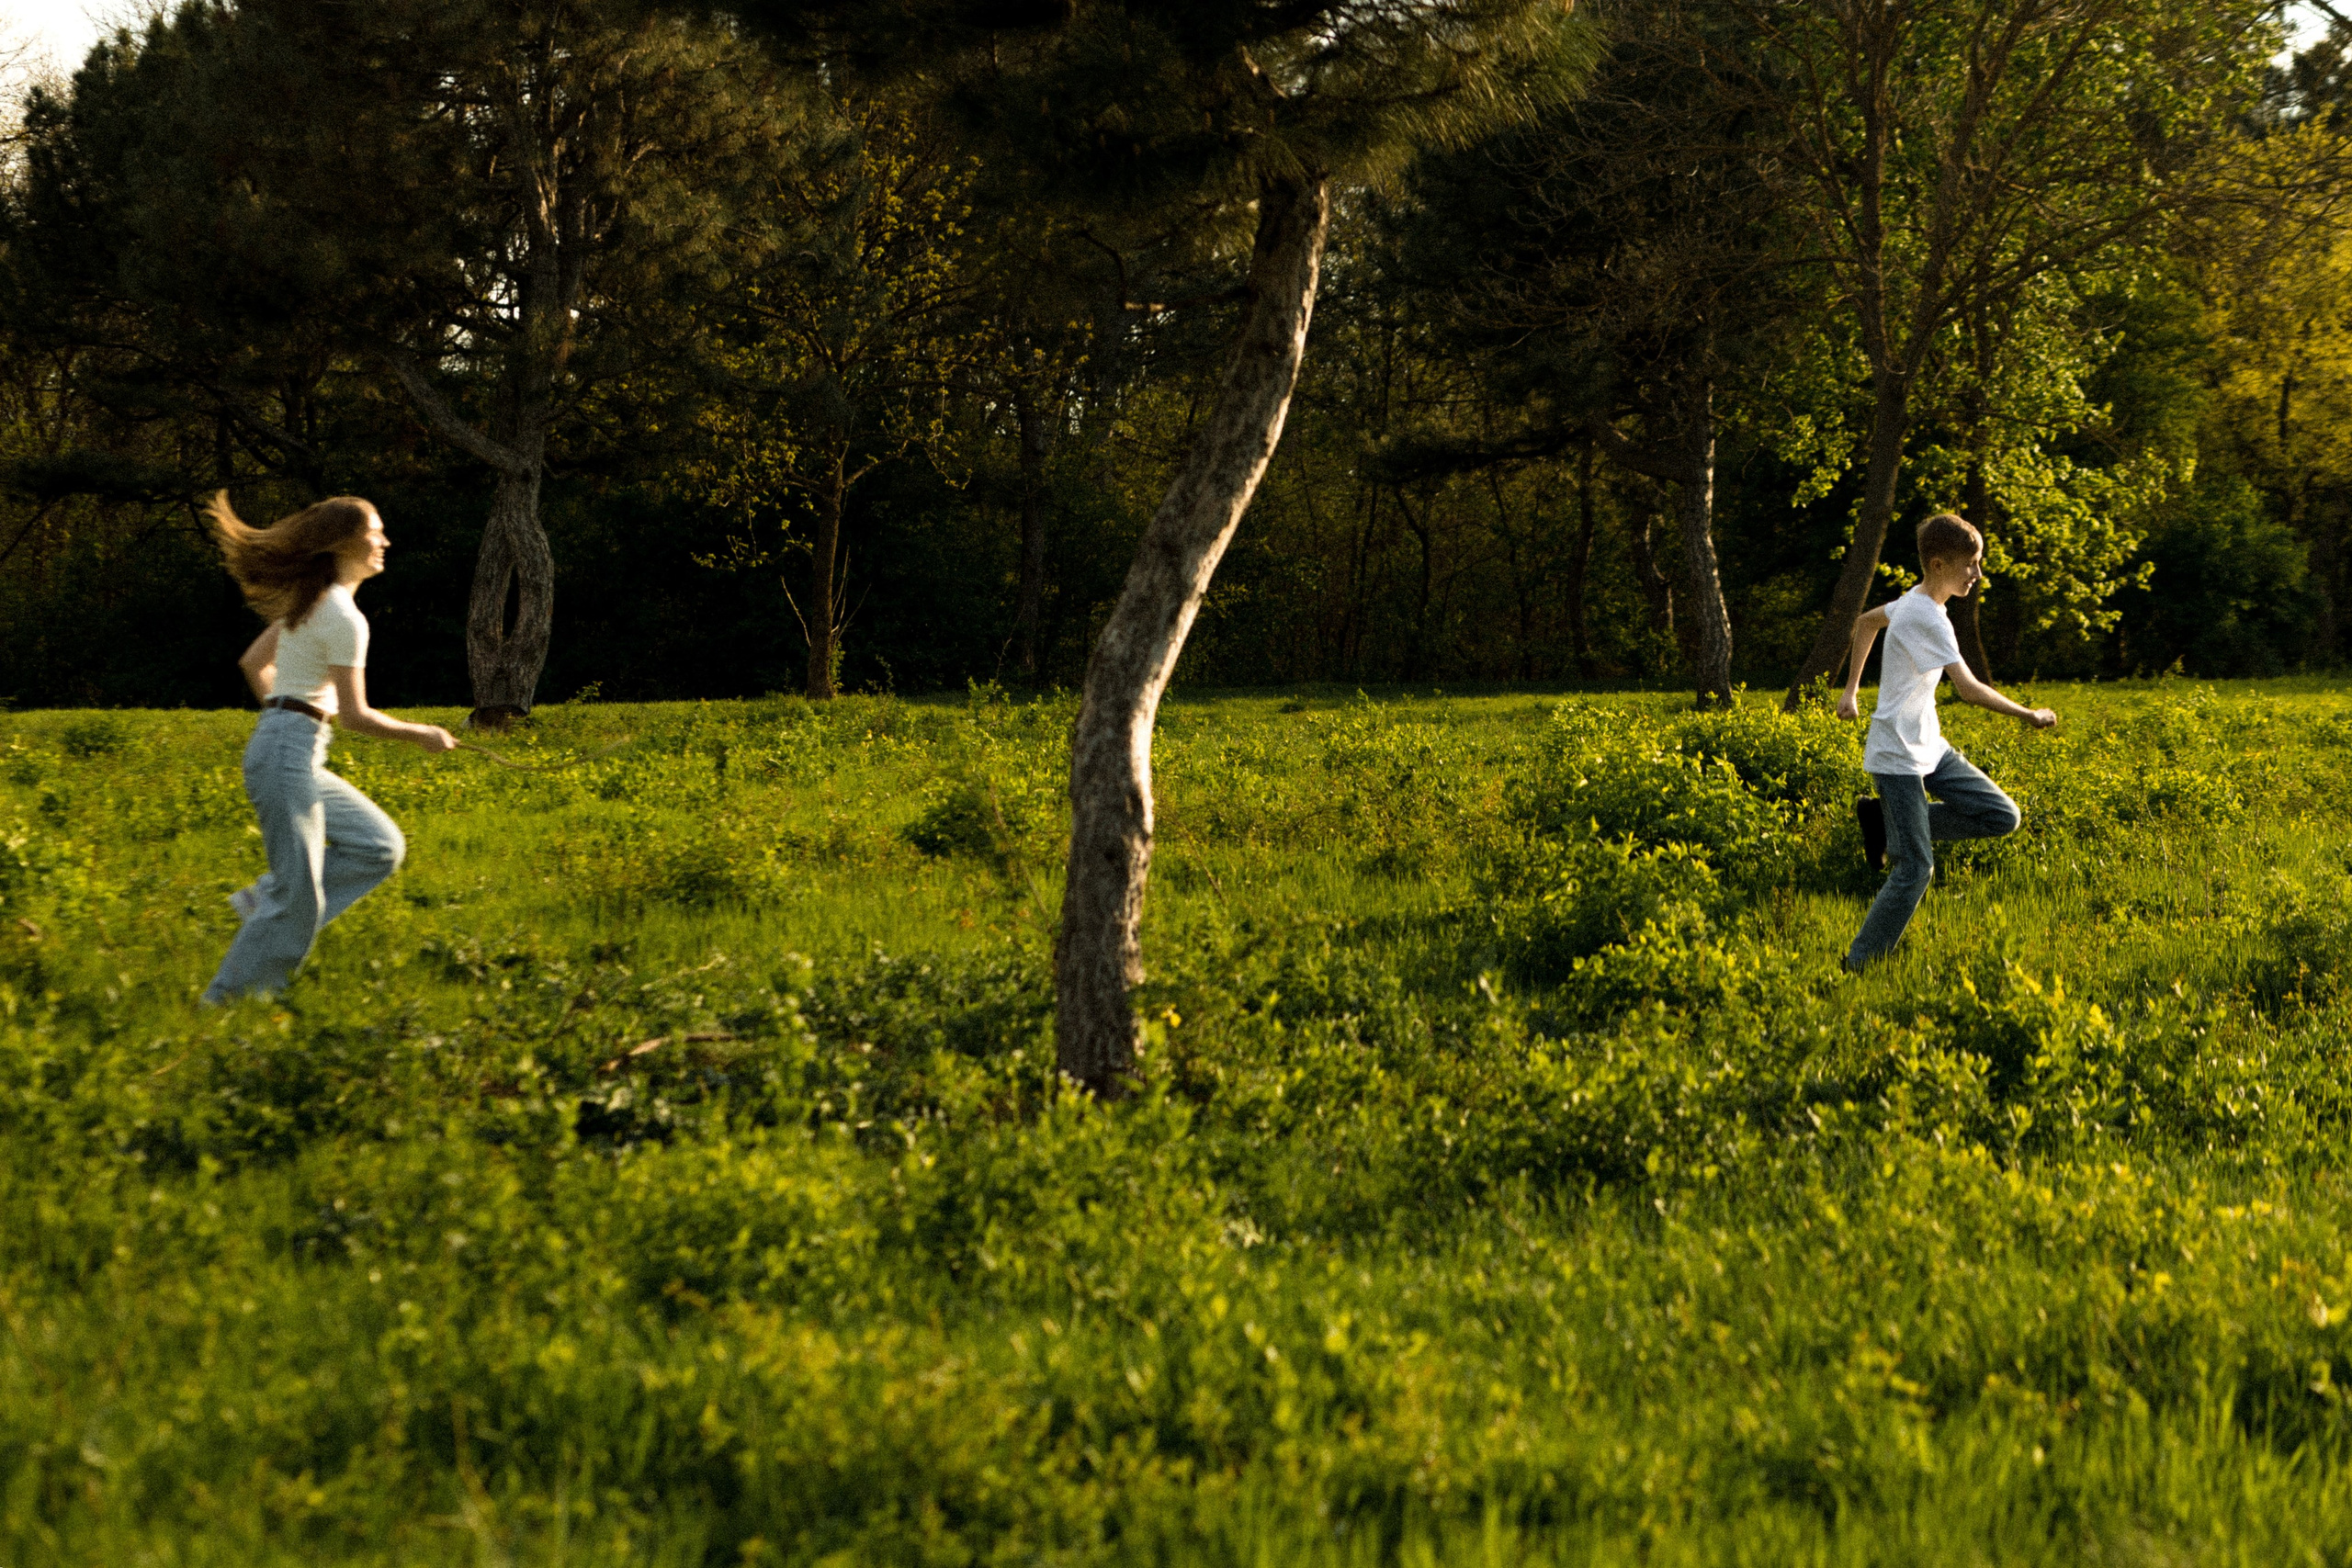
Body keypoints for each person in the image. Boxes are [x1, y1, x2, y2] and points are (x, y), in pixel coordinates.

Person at [202, 491, 457, 1005]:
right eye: (374, 532)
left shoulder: (311, 603)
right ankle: (227, 1002)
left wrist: (288, 711)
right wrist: (423, 734)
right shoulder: (342, 616)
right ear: (344, 544)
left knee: (380, 847)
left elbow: (254, 665)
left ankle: (267, 899)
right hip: (288, 754)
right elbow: (359, 716)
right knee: (299, 900)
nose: (383, 541)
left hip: (290, 749)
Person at [1835, 513, 2054, 972]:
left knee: (2001, 816)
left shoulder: (1916, 603)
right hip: (1896, 755)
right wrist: (2028, 714)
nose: (1977, 574)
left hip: (1929, 747)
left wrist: (1852, 690)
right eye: (1970, 564)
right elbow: (1969, 689)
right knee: (1915, 867)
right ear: (1938, 564)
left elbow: (1865, 622)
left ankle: (1886, 824)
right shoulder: (1923, 615)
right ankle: (1859, 962)